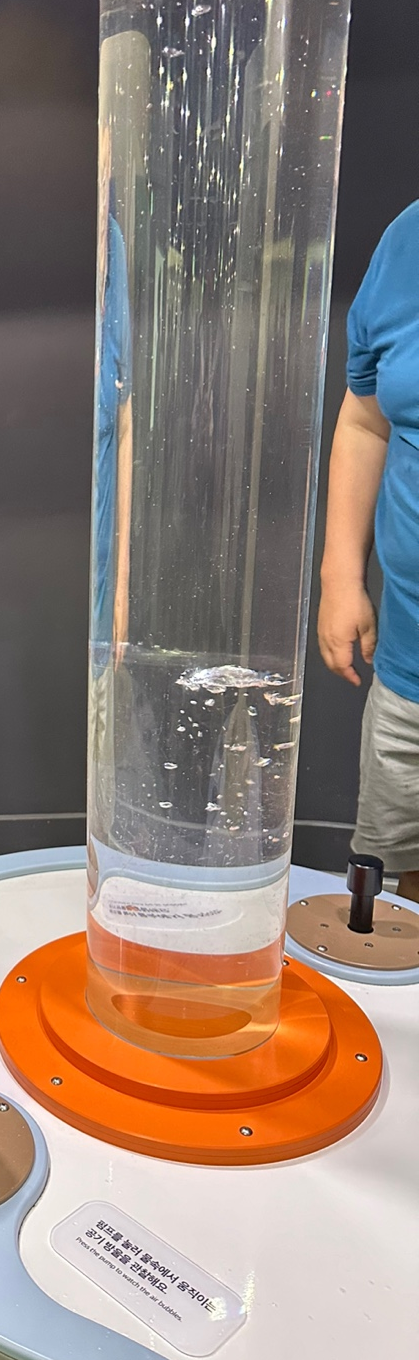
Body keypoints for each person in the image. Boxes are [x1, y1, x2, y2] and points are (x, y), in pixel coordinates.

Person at [318, 200, 419, 903]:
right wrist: (340, 576)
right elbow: (365, 420)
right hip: (408, 675)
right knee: (402, 885)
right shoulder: (407, 241)